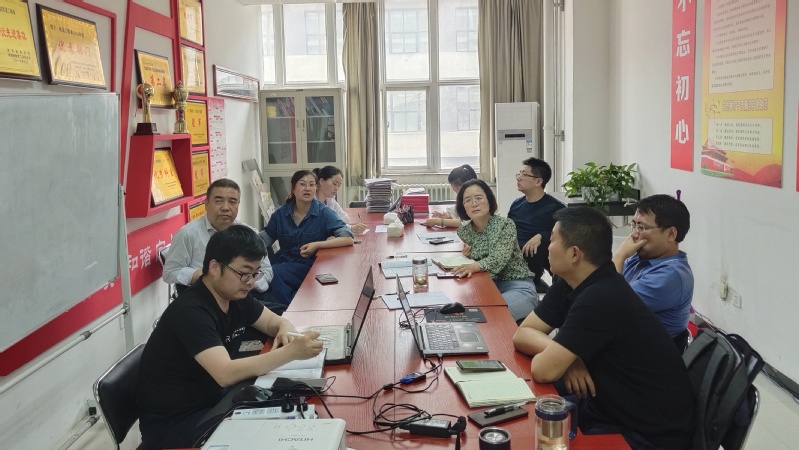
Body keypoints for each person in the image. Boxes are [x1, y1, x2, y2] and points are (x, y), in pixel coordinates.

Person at [512, 207, 695, 450]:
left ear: (574, 253)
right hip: (606, 405)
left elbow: (542, 370)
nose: (548, 246)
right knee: (520, 409)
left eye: (553, 240)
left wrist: (562, 356)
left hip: (644, 433)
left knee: (530, 426)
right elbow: (522, 334)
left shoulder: (601, 296)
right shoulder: (571, 280)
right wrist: (571, 358)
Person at [137, 225, 324, 450]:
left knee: (293, 413)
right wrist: (290, 353)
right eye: (244, 273)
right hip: (175, 425)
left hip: (213, 402)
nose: (250, 282)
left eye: (255, 274)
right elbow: (225, 374)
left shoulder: (234, 295)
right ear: (215, 267)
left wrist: (285, 330)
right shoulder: (191, 311)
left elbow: (273, 322)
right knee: (275, 434)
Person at [162, 178, 290, 308]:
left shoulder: (249, 233)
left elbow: (266, 270)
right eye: (218, 201)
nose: (225, 208)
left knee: (283, 312)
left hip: (245, 298)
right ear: (206, 203)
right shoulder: (187, 234)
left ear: (238, 204)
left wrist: (249, 281)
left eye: (232, 202)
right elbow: (170, 272)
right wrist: (208, 276)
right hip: (205, 301)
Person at [612, 194, 693, 348]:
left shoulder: (671, 275)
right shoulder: (640, 258)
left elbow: (609, 307)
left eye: (642, 227)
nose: (634, 234)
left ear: (671, 234)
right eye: (634, 225)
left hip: (645, 357)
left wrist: (619, 256)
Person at [452, 179, 538, 322]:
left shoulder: (505, 225)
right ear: (463, 206)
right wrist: (469, 256)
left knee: (485, 316)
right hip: (487, 286)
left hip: (518, 286)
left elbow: (498, 259)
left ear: (489, 200)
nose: (474, 204)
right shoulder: (464, 232)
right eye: (468, 200)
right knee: (460, 313)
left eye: (479, 198)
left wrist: (475, 265)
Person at [262, 170, 354, 301]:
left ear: (316, 188)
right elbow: (266, 238)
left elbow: (347, 238)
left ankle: (284, 309)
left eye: (311, 184)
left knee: (275, 275)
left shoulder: (324, 212)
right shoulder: (280, 214)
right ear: (293, 189)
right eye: (302, 184)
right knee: (264, 280)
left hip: (310, 265)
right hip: (284, 262)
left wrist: (317, 245)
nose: (307, 188)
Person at [507, 157, 565, 293]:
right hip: (511, 255)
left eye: (524, 174)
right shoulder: (516, 204)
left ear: (538, 181)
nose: (519, 178)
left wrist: (542, 236)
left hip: (534, 257)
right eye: (519, 173)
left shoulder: (555, 208)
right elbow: (507, 229)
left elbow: (565, 235)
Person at [313, 165, 367, 234]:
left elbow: (344, 217)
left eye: (339, 185)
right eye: (334, 183)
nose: (336, 188)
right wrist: (351, 228)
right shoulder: (311, 202)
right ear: (322, 181)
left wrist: (335, 222)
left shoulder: (330, 200)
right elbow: (323, 225)